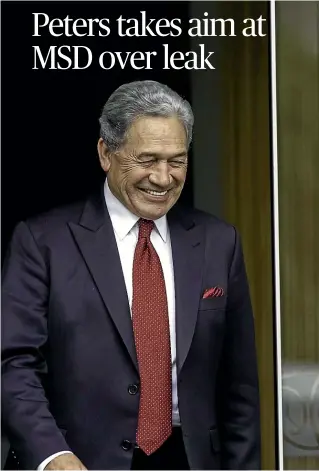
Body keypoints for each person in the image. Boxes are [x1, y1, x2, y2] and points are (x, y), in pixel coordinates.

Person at [1, 80, 261, 470]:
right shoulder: (42, 242)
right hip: (78, 461)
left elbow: (239, 389)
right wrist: (52, 455)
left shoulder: (219, 242)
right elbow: (12, 363)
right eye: (147, 159)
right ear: (106, 153)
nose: (163, 177)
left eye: (176, 161)